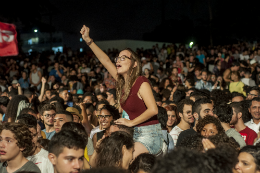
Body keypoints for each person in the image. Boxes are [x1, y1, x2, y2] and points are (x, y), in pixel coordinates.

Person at [81, 25, 163, 157]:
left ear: (134, 63)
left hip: (150, 135)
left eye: (123, 58)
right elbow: (105, 61)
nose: (118, 60)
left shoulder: (141, 82)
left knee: (122, 158)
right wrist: (88, 40)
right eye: (118, 58)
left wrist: (130, 122)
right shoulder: (122, 84)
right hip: (133, 133)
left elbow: (153, 110)